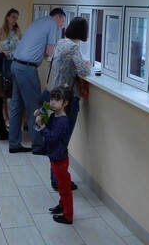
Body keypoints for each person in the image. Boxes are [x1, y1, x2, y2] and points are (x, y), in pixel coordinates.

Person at [43, 17, 91, 190]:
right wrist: (88, 64)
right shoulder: (73, 47)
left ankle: (55, 178)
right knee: (63, 141)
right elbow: (83, 70)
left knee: (57, 139)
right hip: (68, 100)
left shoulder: (61, 42)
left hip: (56, 96)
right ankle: (59, 180)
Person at [8, 8, 66, 154]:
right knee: (35, 107)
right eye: (63, 21)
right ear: (58, 17)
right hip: (27, 69)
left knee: (16, 106)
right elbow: (50, 52)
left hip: (15, 65)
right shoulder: (52, 24)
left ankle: (14, 144)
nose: (62, 25)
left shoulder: (39, 21)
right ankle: (38, 146)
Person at [35, 85, 74, 224]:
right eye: (51, 99)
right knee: (61, 185)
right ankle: (62, 205)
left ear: (65, 103)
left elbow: (51, 137)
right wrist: (40, 116)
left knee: (64, 188)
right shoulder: (55, 116)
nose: (52, 102)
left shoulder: (62, 121)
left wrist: (41, 126)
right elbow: (48, 126)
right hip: (55, 157)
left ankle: (68, 216)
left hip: (60, 160)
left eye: (57, 100)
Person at [0, 8, 22, 128]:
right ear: (7, 17)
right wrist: (0, 51)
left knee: (16, 90)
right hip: (6, 63)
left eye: (16, 18)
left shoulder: (17, 31)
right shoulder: (1, 31)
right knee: (5, 90)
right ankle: (5, 116)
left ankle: (17, 117)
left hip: (17, 62)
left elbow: (23, 44)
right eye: (13, 17)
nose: (15, 20)